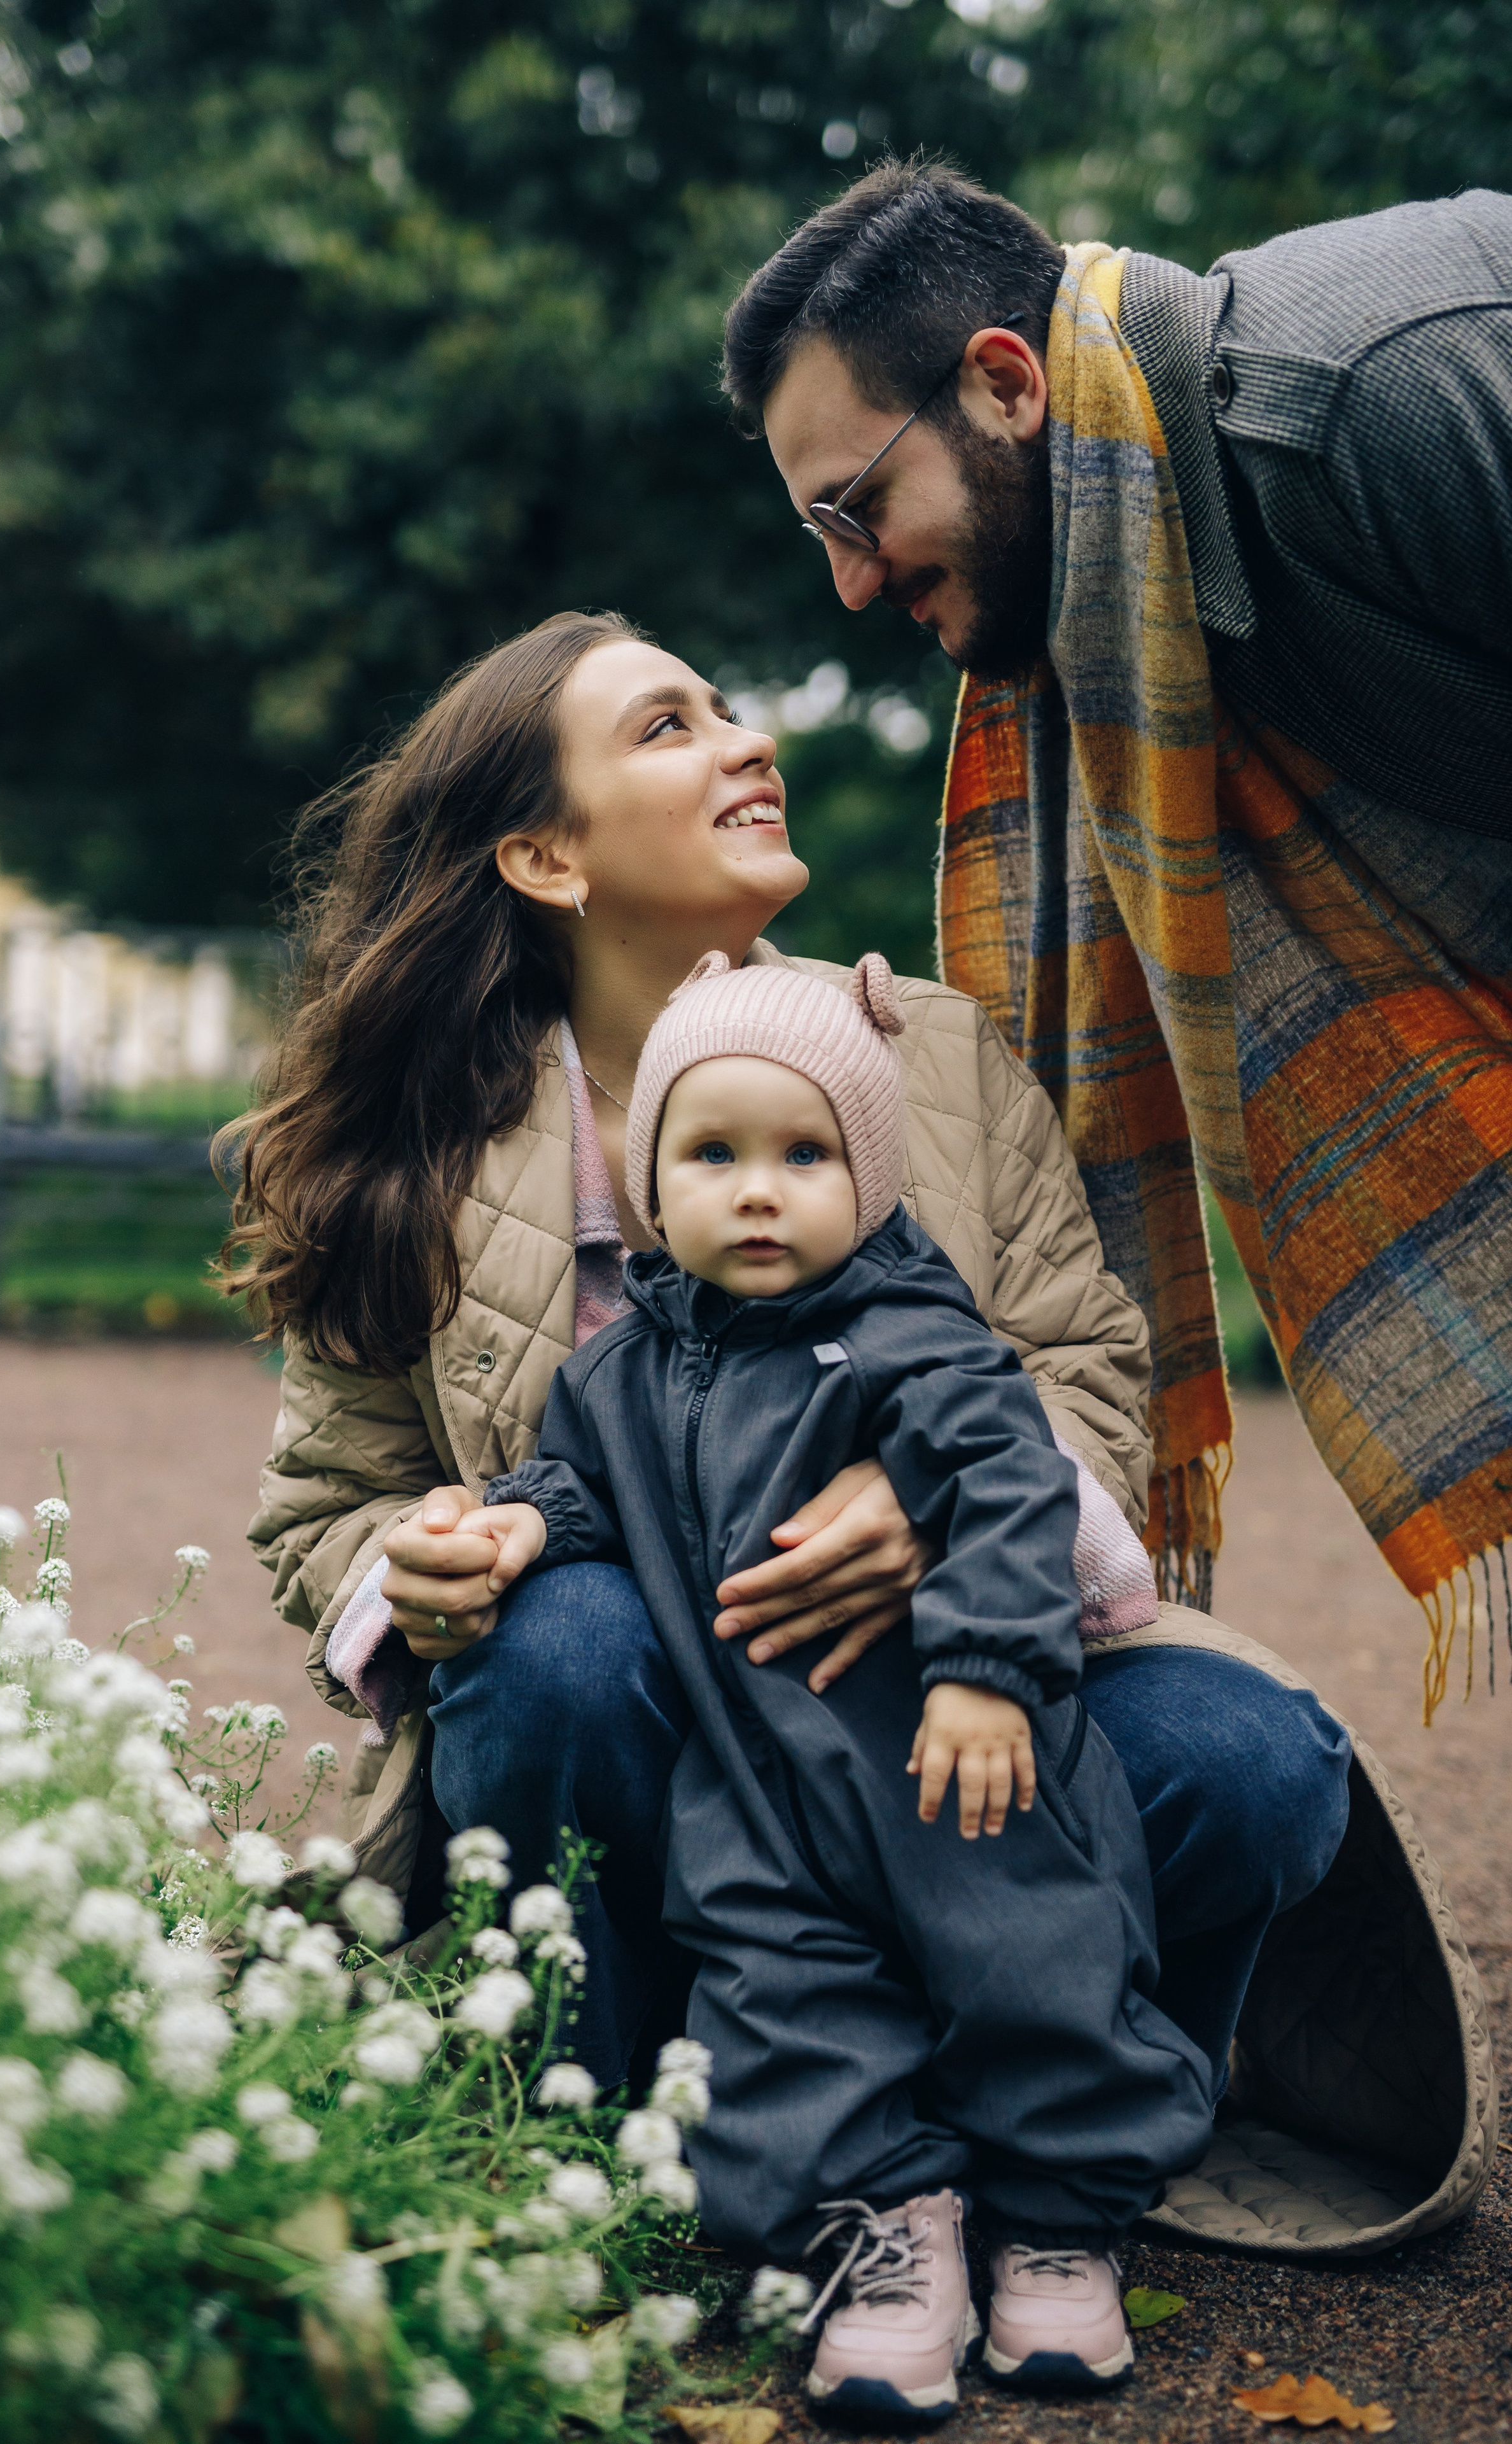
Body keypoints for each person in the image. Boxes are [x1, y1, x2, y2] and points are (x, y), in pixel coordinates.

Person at [233, 607, 1346, 2140]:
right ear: (547, 859)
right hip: (643, 1738)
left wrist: (939, 1503)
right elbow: (327, 1508)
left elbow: (1085, 1366)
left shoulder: (934, 1057)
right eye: (666, 727)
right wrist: (410, 1573)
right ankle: (616, 2107)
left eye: (728, 707)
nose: (747, 742)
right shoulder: (413, 1149)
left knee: (1258, 1767)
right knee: (551, 1644)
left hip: (938, 1713)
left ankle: (1025, 2092)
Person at [723, 162, 1512, 1705]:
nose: (848, 581)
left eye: (854, 506)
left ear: (1005, 384)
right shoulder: (1131, 588)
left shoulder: (1366, 399)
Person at [456, 947, 1212, 2412]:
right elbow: (593, 1488)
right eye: (713, 1152)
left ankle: (1059, 2228)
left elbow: (1008, 1486)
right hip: (753, 1779)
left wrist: (985, 1671)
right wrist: (521, 1521)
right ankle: (883, 2227)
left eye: (803, 1155)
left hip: (944, 1760)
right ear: (647, 1177)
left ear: (864, 1178)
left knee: (1036, 1973)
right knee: (788, 2004)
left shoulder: (913, 1340)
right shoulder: (615, 1374)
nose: (756, 1189)